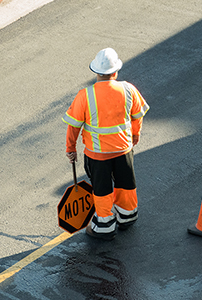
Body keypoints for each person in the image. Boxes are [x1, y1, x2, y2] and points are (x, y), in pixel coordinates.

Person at [62, 48, 149, 240]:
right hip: (124, 149)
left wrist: (71, 149)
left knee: (102, 189)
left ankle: (105, 225)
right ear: (115, 72)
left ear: (96, 73)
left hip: (97, 155)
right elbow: (137, 116)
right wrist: (135, 135)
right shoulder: (128, 89)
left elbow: (73, 127)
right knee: (126, 183)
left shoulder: (85, 95)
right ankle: (127, 216)